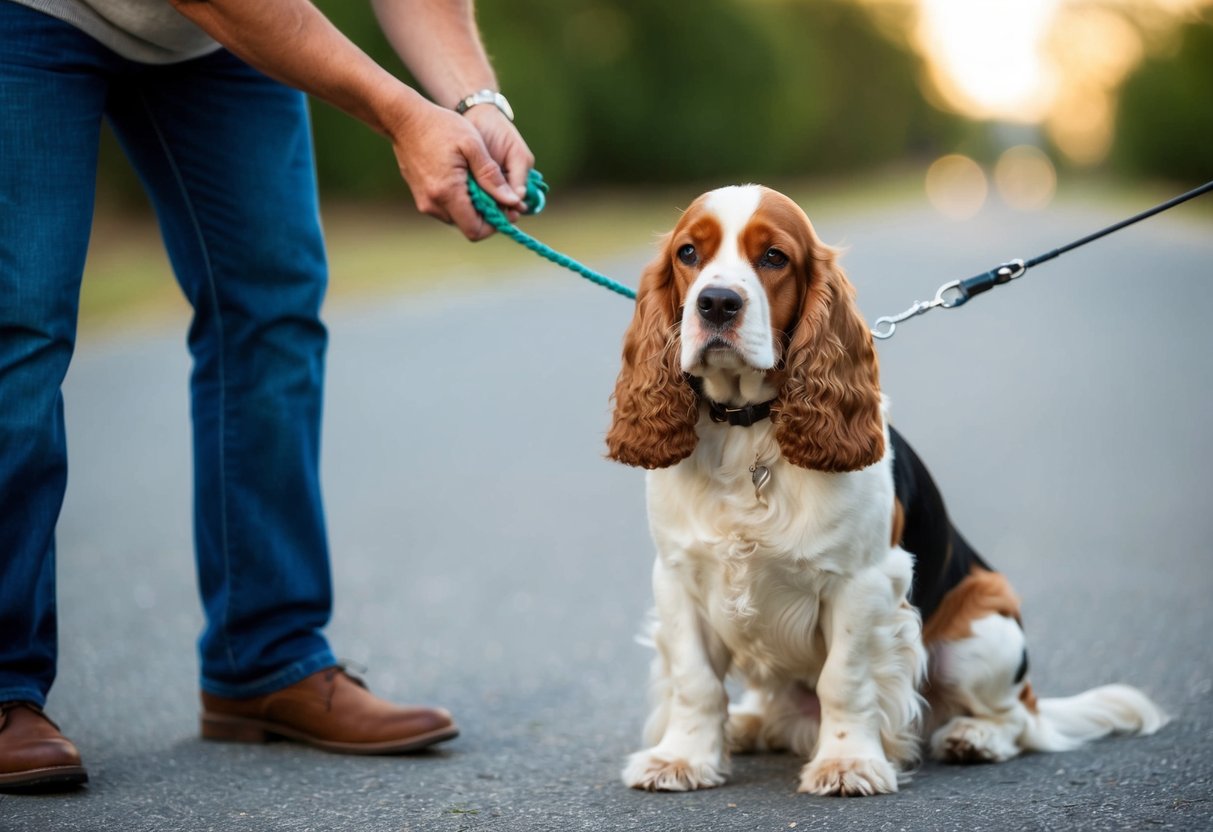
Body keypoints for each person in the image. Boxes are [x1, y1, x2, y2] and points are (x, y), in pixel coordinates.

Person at [0, 0, 534, 791]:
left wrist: (472, 102)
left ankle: (267, 658)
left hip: (214, 47)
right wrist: (402, 116)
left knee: (274, 306)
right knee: (23, 326)